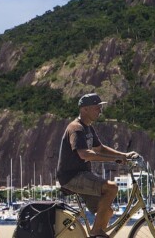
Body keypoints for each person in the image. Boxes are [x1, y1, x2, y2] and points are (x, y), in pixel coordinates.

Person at [55, 93, 139, 238]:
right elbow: (85, 154)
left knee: (107, 211)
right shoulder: (76, 128)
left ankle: (96, 234)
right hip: (72, 177)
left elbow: (100, 148)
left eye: (100, 108)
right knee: (112, 187)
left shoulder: (88, 128)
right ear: (84, 109)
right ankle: (96, 233)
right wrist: (116, 159)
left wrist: (123, 155)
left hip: (83, 175)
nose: (100, 111)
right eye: (97, 108)